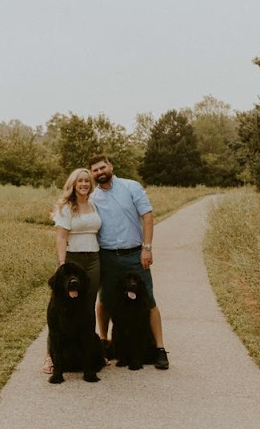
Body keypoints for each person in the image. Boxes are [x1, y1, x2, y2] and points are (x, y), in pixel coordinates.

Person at [89, 154, 169, 370]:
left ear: (111, 166)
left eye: (102, 167)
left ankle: (160, 349)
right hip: (107, 256)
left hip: (135, 253)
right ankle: (105, 342)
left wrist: (147, 247)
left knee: (148, 299)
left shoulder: (131, 187)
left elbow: (148, 216)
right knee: (105, 299)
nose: (99, 172)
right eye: (95, 170)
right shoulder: (93, 197)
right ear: (92, 174)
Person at [43, 167, 102, 374]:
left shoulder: (95, 204)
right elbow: (60, 237)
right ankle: (50, 358)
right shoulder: (67, 207)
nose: (84, 184)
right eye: (80, 181)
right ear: (73, 184)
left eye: (87, 181)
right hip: (72, 259)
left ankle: (89, 355)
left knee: (87, 307)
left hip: (93, 259)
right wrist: (62, 263)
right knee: (59, 309)